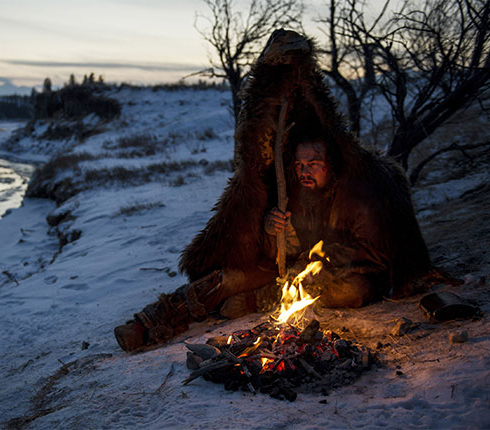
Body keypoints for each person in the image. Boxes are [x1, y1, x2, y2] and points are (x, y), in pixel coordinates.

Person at [114, 29, 448, 352]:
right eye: (300, 164)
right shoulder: (294, 190)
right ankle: (149, 324)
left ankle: (253, 301)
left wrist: (313, 261)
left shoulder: (357, 193)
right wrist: (273, 229)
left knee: (353, 290)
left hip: (337, 276)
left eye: (314, 163)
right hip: (286, 272)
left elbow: (373, 254)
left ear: (330, 163)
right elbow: (273, 250)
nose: (305, 170)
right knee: (225, 278)